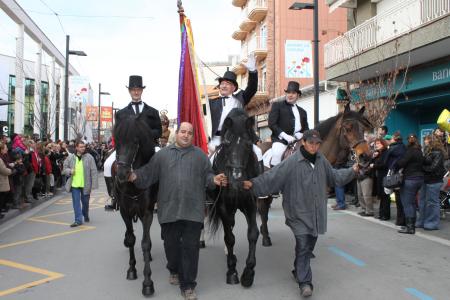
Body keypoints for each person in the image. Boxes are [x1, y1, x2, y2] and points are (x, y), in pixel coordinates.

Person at [242, 130, 359, 298]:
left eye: (317, 143)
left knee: (309, 244)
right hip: (297, 212)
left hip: (316, 213)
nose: (314, 146)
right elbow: (272, 176)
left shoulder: (321, 160)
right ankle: (305, 282)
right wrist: (252, 184)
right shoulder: (291, 161)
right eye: (311, 142)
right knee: (304, 246)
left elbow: (334, 177)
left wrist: (353, 170)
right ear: (303, 142)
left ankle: (298, 269)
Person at [128, 122, 226, 300]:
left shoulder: (200, 156)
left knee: (190, 249)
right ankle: (173, 268)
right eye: (183, 132)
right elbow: (148, 173)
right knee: (171, 247)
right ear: (177, 133)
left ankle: (188, 285)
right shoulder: (163, 155)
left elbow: (208, 177)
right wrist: (135, 176)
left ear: (192, 136)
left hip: (193, 211)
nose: (186, 135)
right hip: (169, 211)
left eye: (189, 132)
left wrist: (215, 180)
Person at [208, 54, 263, 164]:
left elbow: (252, 88)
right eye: (222, 83)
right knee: (208, 162)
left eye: (227, 83)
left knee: (258, 152)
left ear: (234, 88)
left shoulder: (240, 98)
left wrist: (252, 71)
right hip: (216, 139)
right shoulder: (211, 103)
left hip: (238, 139)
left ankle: (258, 180)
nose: (223, 86)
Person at [268, 81, 309, 166]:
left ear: (298, 95)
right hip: (281, 140)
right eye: (288, 92)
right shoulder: (277, 105)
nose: (290, 95)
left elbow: (306, 128)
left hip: (298, 141)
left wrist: (302, 134)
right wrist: (285, 136)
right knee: (277, 154)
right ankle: (274, 177)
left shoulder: (303, 112)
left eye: (293, 93)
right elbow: (272, 124)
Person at [115, 75, 162, 144]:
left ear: (142, 90)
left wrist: (145, 133)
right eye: (133, 90)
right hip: (129, 151)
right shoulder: (120, 114)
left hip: (149, 149)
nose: (136, 92)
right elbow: (118, 134)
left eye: (138, 90)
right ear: (129, 91)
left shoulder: (153, 112)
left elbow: (159, 132)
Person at [63, 141, 98, 227]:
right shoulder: (71, 157)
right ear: (77, 148)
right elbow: (64, 169)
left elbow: (94, 171)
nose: (83, 148)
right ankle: (78, 220)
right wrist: (70, 171)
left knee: (85, 203)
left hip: (86, 185)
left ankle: (85, 214)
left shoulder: (89, 157)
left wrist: (94, 184)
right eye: (81, 147)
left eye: (84, 146)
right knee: (76, 203)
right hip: (75, 184)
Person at [394, 134, 424, 234]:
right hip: (420, 179)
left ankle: (410, 228)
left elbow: (401, 163)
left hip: (410, 179)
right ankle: (411, 225)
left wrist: (395, 164)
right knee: (412, 203)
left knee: (408, 204)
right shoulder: (419, 151)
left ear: (408, 141)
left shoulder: (409, 151)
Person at [416, 135, 447, 230]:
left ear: (431, 141)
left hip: (434, 180)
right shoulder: (427, 152)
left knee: (432, 202)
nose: (424, 141)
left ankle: (432, 222)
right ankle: (422, 220)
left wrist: (421, 168)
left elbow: (433, 168)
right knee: (422, 201)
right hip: (426, 179)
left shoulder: (438, 153)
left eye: (426, 139)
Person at [384, 132, 407, 226]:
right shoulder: (404, 147)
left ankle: (400, 220)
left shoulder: (392, 148)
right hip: (404, 173)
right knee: (403, 198)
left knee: (398, 198)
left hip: (395, 174)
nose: (390, 140)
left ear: (395, 139)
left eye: (392, 138)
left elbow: (386, 161)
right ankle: (403, 219)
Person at [370, 138, 391, 220]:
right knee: (382, 196)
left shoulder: (386, 152)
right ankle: (381, 213)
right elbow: (373, 162)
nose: (377, 145)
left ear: (383, 144)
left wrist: (374, 166)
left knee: (385, 196)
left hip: (384, 176)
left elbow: (384, 164)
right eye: (376, 143)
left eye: (378, 143)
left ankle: (385, 214)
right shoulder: (379, 153)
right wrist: (374, 157)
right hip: (379, 176)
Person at [0, 143, 13, 218]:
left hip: (2, 179)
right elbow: (3, 169)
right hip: (2, 179)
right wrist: (10, 171)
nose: (7, 149)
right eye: (5, 148)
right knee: (1, 197)